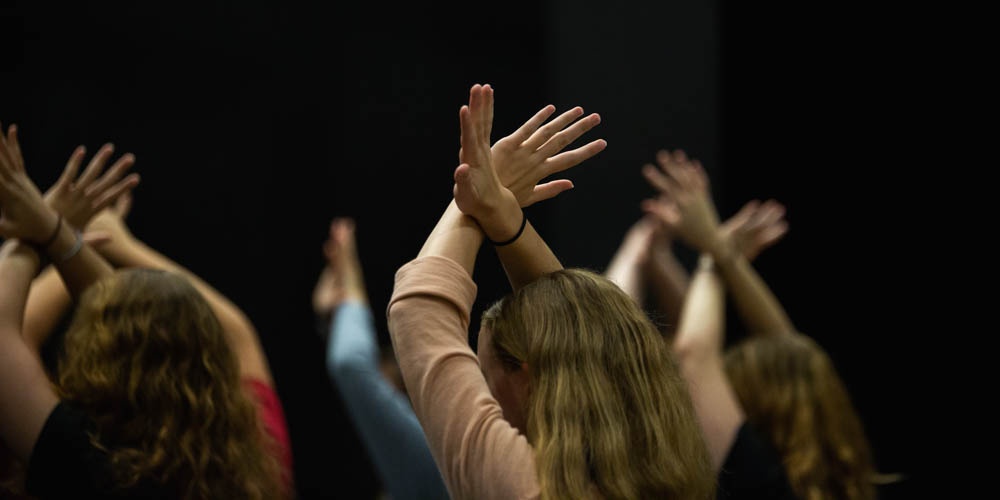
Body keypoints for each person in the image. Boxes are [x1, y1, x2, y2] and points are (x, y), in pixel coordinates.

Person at [386, 83, 716, 499]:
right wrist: (502, 218)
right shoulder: (668, 480)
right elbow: (588, 336)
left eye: (484, 378)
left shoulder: (528, 488)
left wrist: (474, 201)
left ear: (529, 382)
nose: (482, 397)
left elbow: (418, 313)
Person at [0, 123, 286, 499]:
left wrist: (35, 236)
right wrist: (55, 232)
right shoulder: (253, 465)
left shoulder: (90, 464)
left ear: (101, 357)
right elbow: (231, 331)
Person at [641, 148, 888, 500]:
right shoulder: (825, 478)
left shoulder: (757, 480)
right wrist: (722, 254)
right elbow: (789, 354)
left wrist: (712, 257)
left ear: (758, 408)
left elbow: (694, 354)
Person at [315, 216, 448, 500]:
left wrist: (351, 287)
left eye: (383, 389)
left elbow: (352, 365)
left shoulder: (439, 463)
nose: (374, 399)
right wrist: (335, 317)